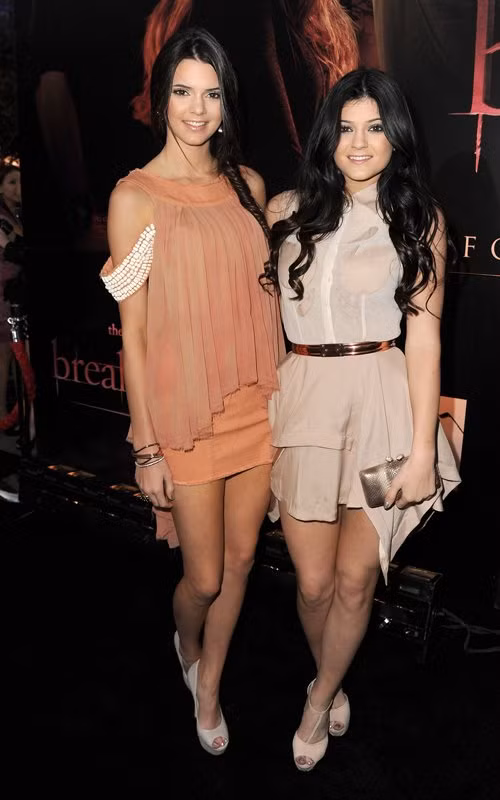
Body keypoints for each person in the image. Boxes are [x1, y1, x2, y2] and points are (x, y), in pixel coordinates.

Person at [263, 68, 461, 771]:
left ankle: (319, 698)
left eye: (375, 127)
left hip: (382, 406)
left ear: (396, 136)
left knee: (356, 581)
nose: (358, 142)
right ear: (326, 135)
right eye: (346, 127)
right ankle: (333, 673)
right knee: (313, 583)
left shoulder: (420, 219)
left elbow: (425, 340)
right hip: (307, 404)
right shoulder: (286, 209)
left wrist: (421, 452)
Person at [100, 27, 283, 755]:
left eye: (211, 93)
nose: (197, 108)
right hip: (186, 415)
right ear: (162, 99)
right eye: (183, 91)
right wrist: (146, 447)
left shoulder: (248, 187)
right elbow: (135, 333)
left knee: (241, 562)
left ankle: (209, 687)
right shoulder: (135, 197)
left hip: (255, 404)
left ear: (227, 101)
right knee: (203, 577)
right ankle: (188, 642)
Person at [131, 0, 359, 195]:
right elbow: (277, 154)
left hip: (276, 200)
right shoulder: (243, 10)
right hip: (262, 207)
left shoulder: (315, 15)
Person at [0, 163, 23, 423]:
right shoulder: (2, 217)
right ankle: (3, 416)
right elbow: (12, 251)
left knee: (16, 355)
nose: (18, 188)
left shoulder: (17, 214)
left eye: (20, 181)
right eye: (11, 182)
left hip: (17, 292)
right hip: (3, 293)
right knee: (5, 354)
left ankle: (18, 412)